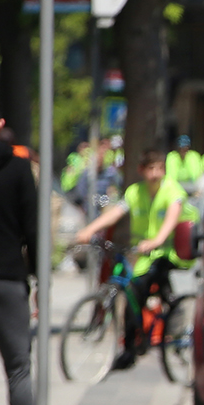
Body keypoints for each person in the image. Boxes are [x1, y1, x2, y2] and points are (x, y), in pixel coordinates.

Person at [76, 148, 183, 370]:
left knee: (151, 288)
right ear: (141, 171)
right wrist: (90, 230)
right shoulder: (135, 192)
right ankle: (130, 349)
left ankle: (176, 320)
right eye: (151, 169)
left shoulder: (173, 191)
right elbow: (115, 212)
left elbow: (171, 219)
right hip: (144, 254)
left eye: (160, 169)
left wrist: (157, 240)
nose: (155, 174)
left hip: (170, 253)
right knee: (132, 294)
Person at [0, 116, 37, 405]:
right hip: (8, 278)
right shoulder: (19, 169)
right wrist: (35, 276)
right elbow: (33, 230)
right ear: (1, 122)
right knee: (18, 366)